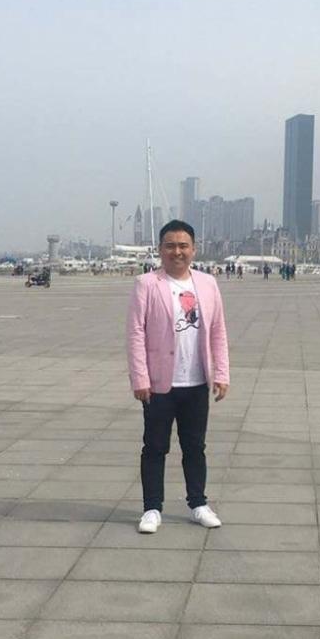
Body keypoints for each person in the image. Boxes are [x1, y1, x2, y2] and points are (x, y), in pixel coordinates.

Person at [127, 219, 229, 534]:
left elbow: (218, 331)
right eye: (170, 245)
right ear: (160, 249)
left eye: (183, 245)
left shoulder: (207, 283)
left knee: (195, 447)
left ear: (194, 249)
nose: (177, 251)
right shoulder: (147, 283)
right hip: (159, 384)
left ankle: (198, 503)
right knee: (155, 447)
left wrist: (221, 373)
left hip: (196, 381)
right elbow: (135, 333)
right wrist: (140, 378)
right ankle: (151, 508)